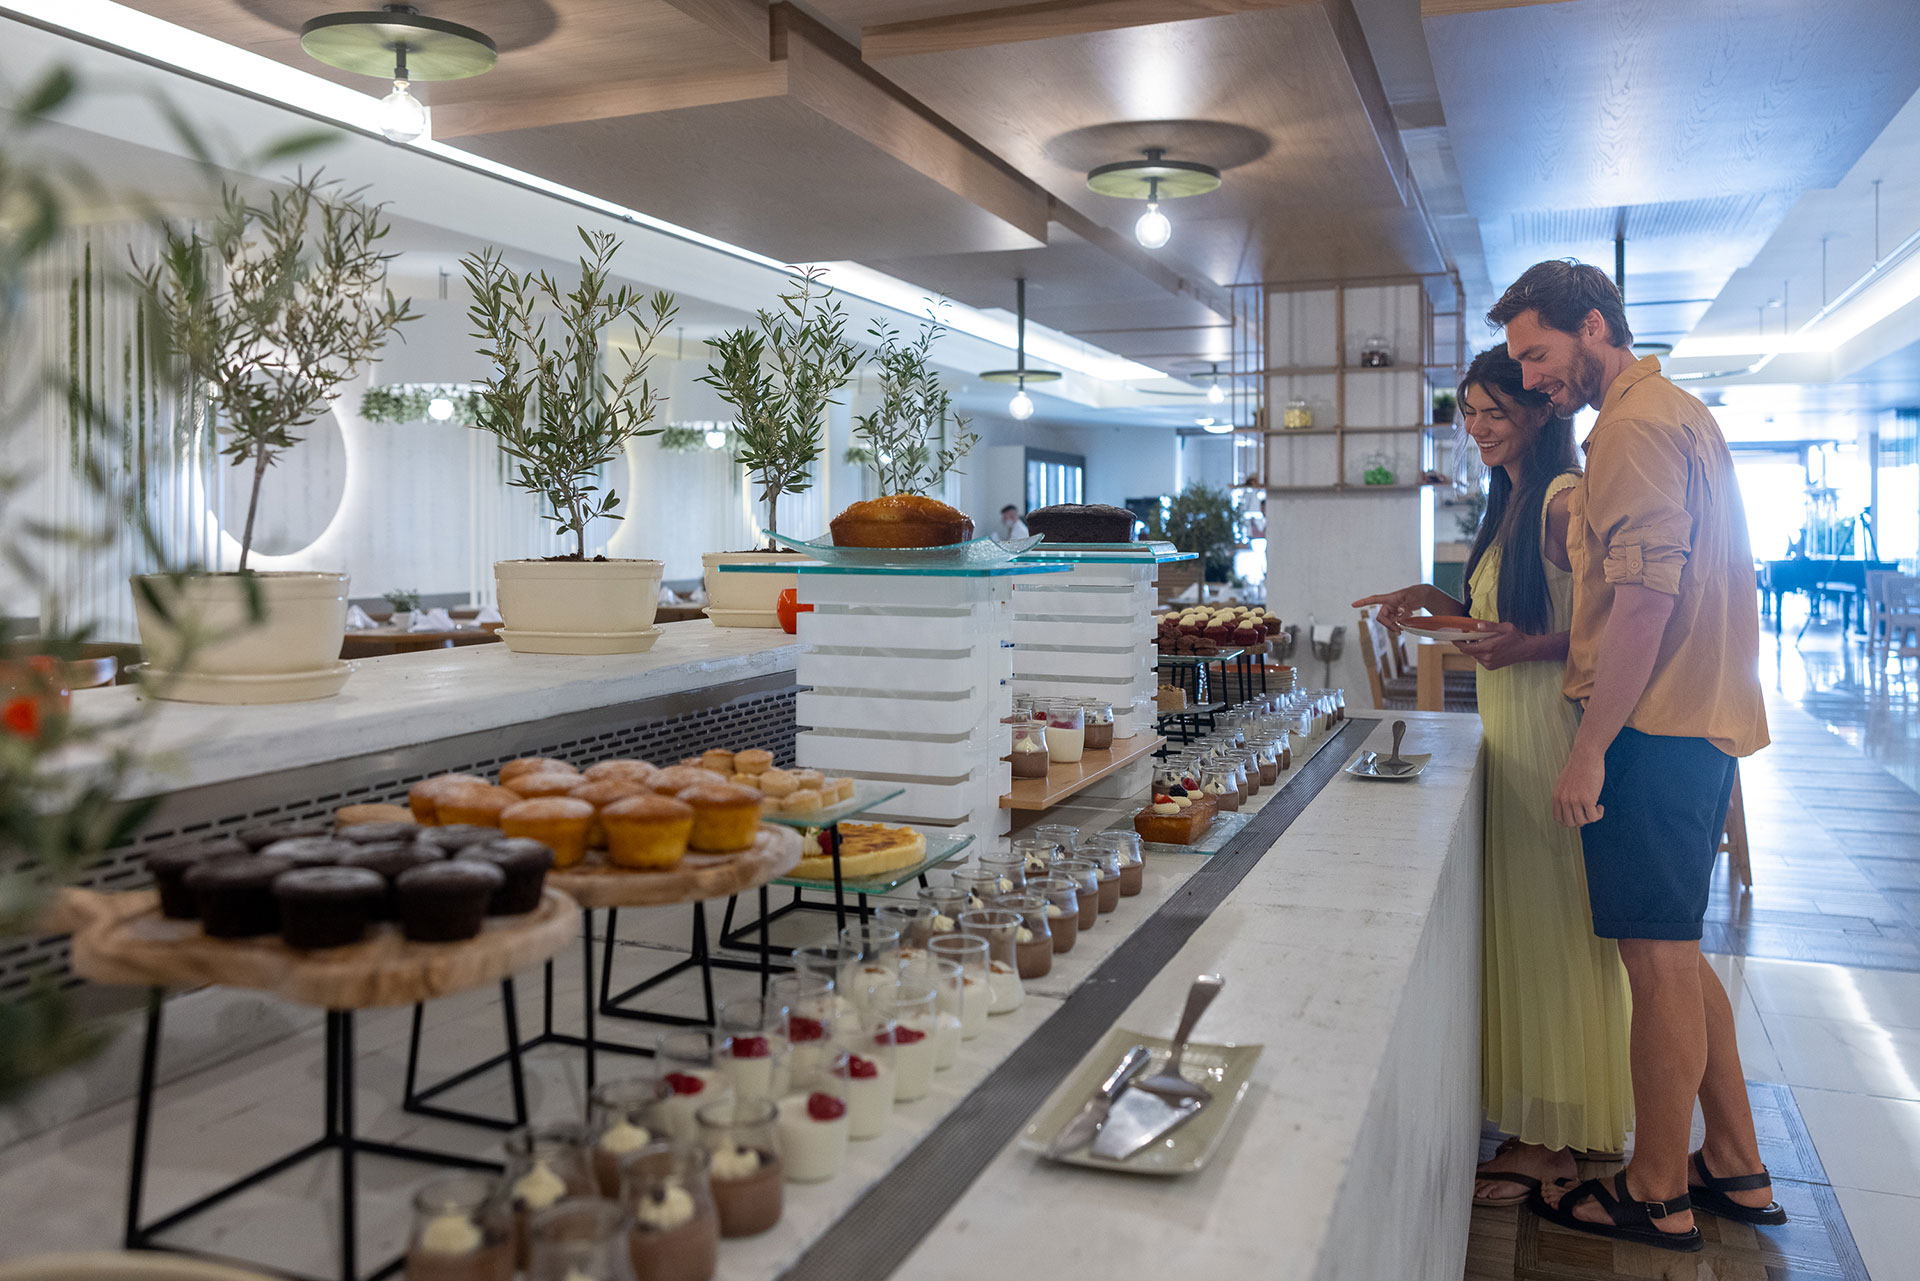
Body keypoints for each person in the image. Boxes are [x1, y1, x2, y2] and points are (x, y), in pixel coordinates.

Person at [1489, 259, 1779, 1252]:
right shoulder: (1675, 410)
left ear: (1596, 326)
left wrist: (1592, 750)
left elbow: (1646, 604)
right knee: (1678, 952)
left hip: (1652, 726)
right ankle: (1733, 1162)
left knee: (1653, 966)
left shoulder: (1633, 428)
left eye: (1538, 353)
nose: (1531, 380)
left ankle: (1656, 1190)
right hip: (1696, 716)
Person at [1354, 345, 1633, 1210]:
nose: (1476, 429)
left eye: (1495, 413)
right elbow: (1513, 618)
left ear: (1540, 414)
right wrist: (1432, 604)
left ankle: (1552, 1144)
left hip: (1553, 727)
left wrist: (1529, 647)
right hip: (1513, 729)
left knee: (1554, 927)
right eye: (1468, 413)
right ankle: (1539, 1121)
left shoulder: (1556, 499)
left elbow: (1613, 618)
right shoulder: (1511, 501)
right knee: (1531, 921)